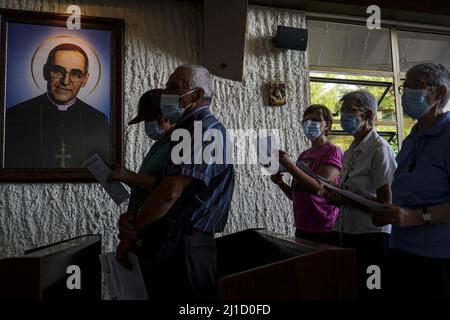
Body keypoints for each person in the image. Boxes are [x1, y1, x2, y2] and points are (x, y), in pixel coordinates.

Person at [120, 64, 235, 300]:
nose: (166, 93)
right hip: (173, 240)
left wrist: (134, 229)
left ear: (196, 95)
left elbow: (169, 192)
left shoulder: (202, 130)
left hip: (185, 245)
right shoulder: (187, 131)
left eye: (173, 87)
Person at [371, 63, 450, 299]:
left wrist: (416, 217)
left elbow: (415, 212)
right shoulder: (411, 139)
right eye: (405, 86)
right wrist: (384, 210)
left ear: (440, 93)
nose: (408, 93)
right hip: (402, 250)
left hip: (438, 258)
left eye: (417, 85)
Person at [324, 90, 397, 299]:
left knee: (372, 290)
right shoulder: (350, 151)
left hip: (372, 236)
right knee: (351, 289)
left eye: (350, 111)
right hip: (347, 232)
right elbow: (350, 191)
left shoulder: (379, 149)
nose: (344, 116)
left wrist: (349, 198)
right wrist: (337, 197)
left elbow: (386, 204)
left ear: (368, 115)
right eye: (343, 111)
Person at [5, 43, 109, 168]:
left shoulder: (97, 119)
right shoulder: (15, 116)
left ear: (85, 79)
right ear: (45, 72)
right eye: (58, 71)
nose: (65, 81)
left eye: (75, 74)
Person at [109, 89, 174, 270]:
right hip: (140, 231)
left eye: (148, 122)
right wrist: (124, 175)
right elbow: (149, 183)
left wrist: (129, 176)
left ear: (163, 119)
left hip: (156, 233)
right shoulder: (161, 143)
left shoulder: (177, 146)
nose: (147, 127)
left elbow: (167, 188)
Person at [271, 104, 342, 245]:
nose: (309, 124)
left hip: (325, 227)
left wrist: (289, 164)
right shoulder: (304, 155)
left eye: (315, 120)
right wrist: (280, 182)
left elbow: (318, 188)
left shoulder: (333, 151)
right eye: (306, 121)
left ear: (327, 125)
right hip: (302, 226)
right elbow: (295, 194)